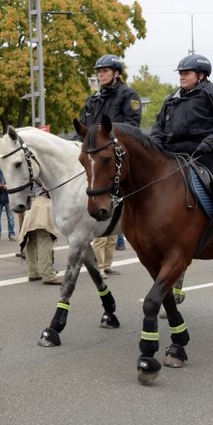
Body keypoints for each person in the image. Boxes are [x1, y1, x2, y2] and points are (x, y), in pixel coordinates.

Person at [151, 53, 213, 247]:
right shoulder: (171, 99)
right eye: (181, 74)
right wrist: (154, 144)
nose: (182, 77)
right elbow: (158, 127)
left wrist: (212, 142)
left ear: (201, 75)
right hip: (176, 155)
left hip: (209, 153)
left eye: (186, 73)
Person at [80, 54, 141, 276]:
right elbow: (84, 129)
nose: (100, 74)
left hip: (118, 154)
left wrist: (108, 139)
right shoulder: (93, 99)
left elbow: (133, 126)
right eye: (99, 71)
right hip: (96, 156)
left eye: (105, 70)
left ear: (116, 73)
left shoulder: (128, 95)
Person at [18, 181, 62, 285]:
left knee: (31, 241)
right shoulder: (40, 170)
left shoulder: (29, 172)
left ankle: (33, 272)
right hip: (44, 204)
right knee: (45, 240)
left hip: (32, 205)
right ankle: (48, 275)